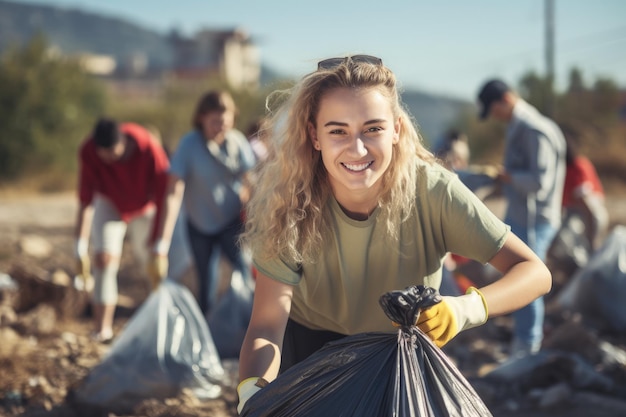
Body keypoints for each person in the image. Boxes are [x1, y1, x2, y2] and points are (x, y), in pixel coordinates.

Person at [237, 55, 552, 413]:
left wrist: (465, 308)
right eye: (337, 130)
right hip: (312, 353)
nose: (357, 149)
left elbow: (535, 272)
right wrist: (252, 395)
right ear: (314, 135)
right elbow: (266, 324)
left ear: (397, 129)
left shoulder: (434, 192)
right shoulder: (288, 202)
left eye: (373, 128)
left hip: (403, 351)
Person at [477, 78, 566, 357]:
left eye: (493, 110)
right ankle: (523, 341)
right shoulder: (521, 125)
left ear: (504, 99)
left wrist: (509, 177)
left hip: (535, 219)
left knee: (527, 278)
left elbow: (541, 181)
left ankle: (528, 347)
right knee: (517, 275)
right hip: (523, 216)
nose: (494, 117)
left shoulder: (533, 129)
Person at [152, 90, 257, 317]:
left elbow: (251, 180)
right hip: (199, 224)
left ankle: (251, 325)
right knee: (207, 281)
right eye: (215, 122)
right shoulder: (189, 145)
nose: (220, 128)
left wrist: (254, 207)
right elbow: (174, 190)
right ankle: (207, 328)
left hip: (231, 222)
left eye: (225, 122)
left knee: (244, 271)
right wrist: (163, 241)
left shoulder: (237, 141)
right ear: (201, 118)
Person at [75, 118, 170, 343]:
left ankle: (159, 321)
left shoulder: (148, 147)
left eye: (113, 152)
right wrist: (79, 244)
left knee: (150, 264)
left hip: (145, 206)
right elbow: (86, 199)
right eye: (103, 154)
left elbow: (165, 197)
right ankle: (102, 329)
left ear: (123, 142)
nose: (108, 158)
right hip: (110, 202)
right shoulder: (89, 151)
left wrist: (159, 244)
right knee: (103, 260)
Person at [561, 137, 608, 251]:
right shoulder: (565, 169)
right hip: (572, 210)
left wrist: (592, 239)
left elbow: (587, 204)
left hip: (588, 210)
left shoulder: (579, 166)